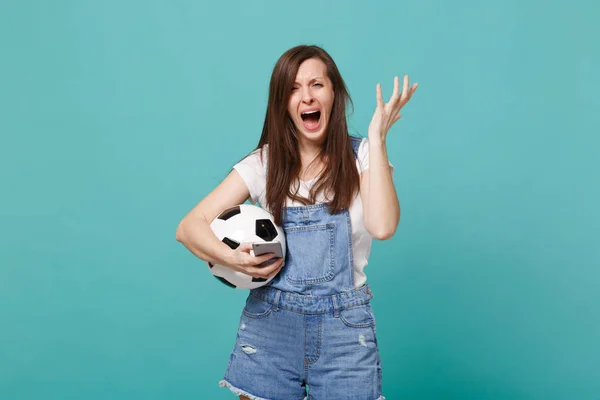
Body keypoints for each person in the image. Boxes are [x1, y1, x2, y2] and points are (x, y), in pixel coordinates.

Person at [176, 44, 417, 400]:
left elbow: (383, 227)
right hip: (271, 327)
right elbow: (189, 227)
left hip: (345, 333)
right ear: (282, 103)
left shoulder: (363, 156)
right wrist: (231, 257)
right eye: (293, 88)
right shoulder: (265, 163)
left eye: (317, 85)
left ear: (334, 93)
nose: (306, 97)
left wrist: (379, 138)